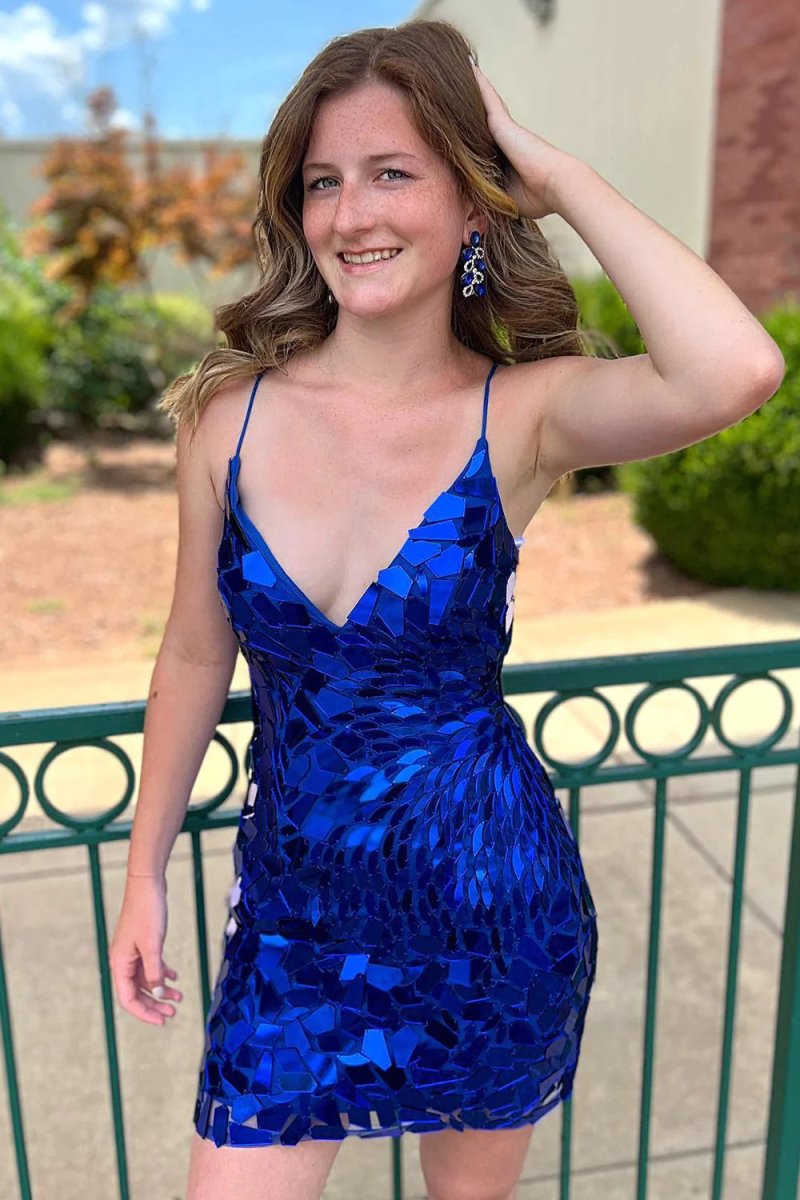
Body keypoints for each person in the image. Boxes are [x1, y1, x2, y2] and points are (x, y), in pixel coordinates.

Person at [108, 18, 785, 1200]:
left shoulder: (523, 414)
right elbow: (191, 657)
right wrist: (143, 872)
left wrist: (553, 175)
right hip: (294, 931)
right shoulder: (228, 419)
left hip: (489, 908)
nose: (349, 214)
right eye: (323, 181)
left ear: (472, 203)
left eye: (392, 173)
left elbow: (734, 370)